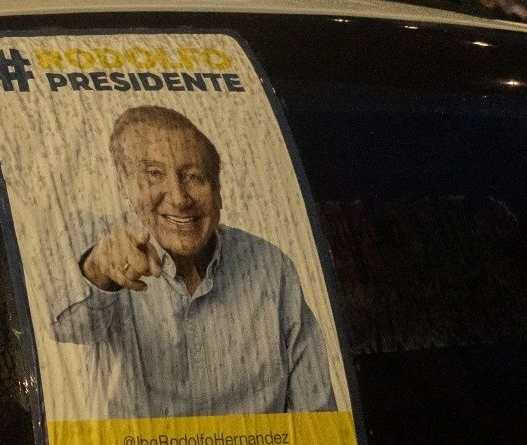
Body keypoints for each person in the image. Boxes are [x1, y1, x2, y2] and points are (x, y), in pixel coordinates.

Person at [51, 105, 336, 419]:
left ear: (217, 190)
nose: (179, 197)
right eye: (154, 174)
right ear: (123, 182)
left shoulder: (271, 266)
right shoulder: (99, 248)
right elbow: (64, 328)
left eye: (193, 177)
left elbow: (318, 414)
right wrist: (99, 273)